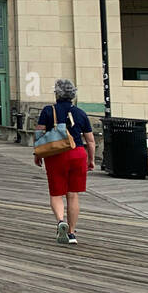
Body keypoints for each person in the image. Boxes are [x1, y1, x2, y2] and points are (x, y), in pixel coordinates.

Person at [35, 78, 95, 245]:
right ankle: (72, 232)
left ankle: (61, 220)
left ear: (57, 93)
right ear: (73, 95)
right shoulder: (81, 113)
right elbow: (90, 141)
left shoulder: (48, 111)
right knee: (73, 195)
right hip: (77, 154)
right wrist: (91, 160)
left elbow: (39, 135)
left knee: (56, 193)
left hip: (56, 155)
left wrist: (38, 154)